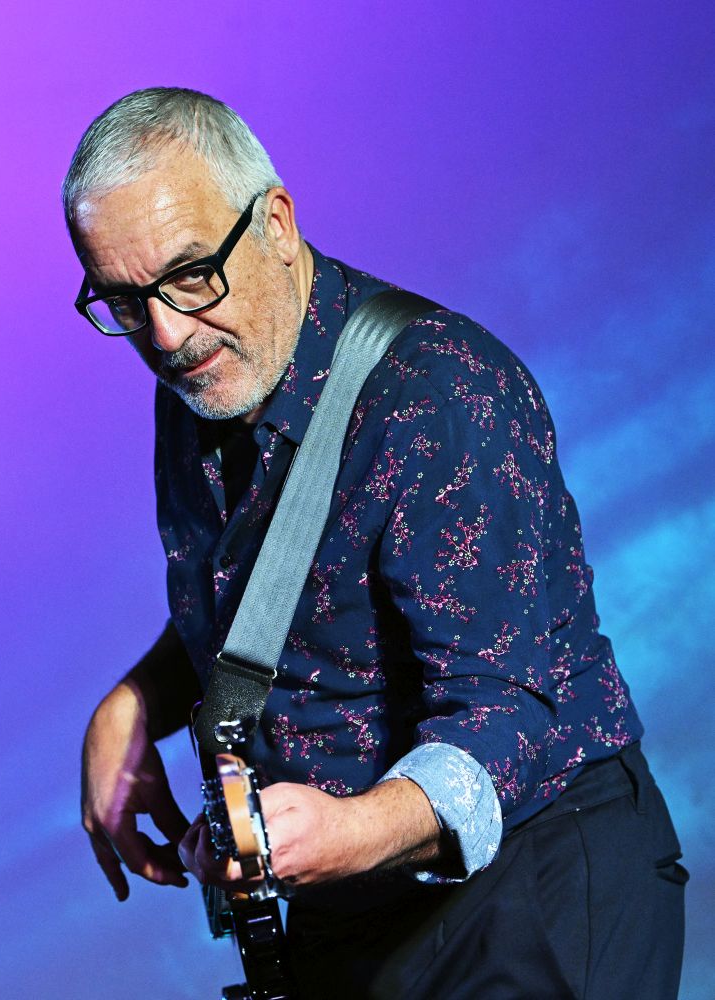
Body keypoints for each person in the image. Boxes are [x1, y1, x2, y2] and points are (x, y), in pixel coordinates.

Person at [64, 87, 687, 999]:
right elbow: (269, 603)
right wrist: (130, 704)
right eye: (125, 300)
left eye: (192, 274)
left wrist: (348, 833)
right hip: (354, 916)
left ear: (276, 223)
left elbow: (503, 715)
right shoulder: (206, 372)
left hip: (533, 888)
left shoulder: (442, 394)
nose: (165, 333)